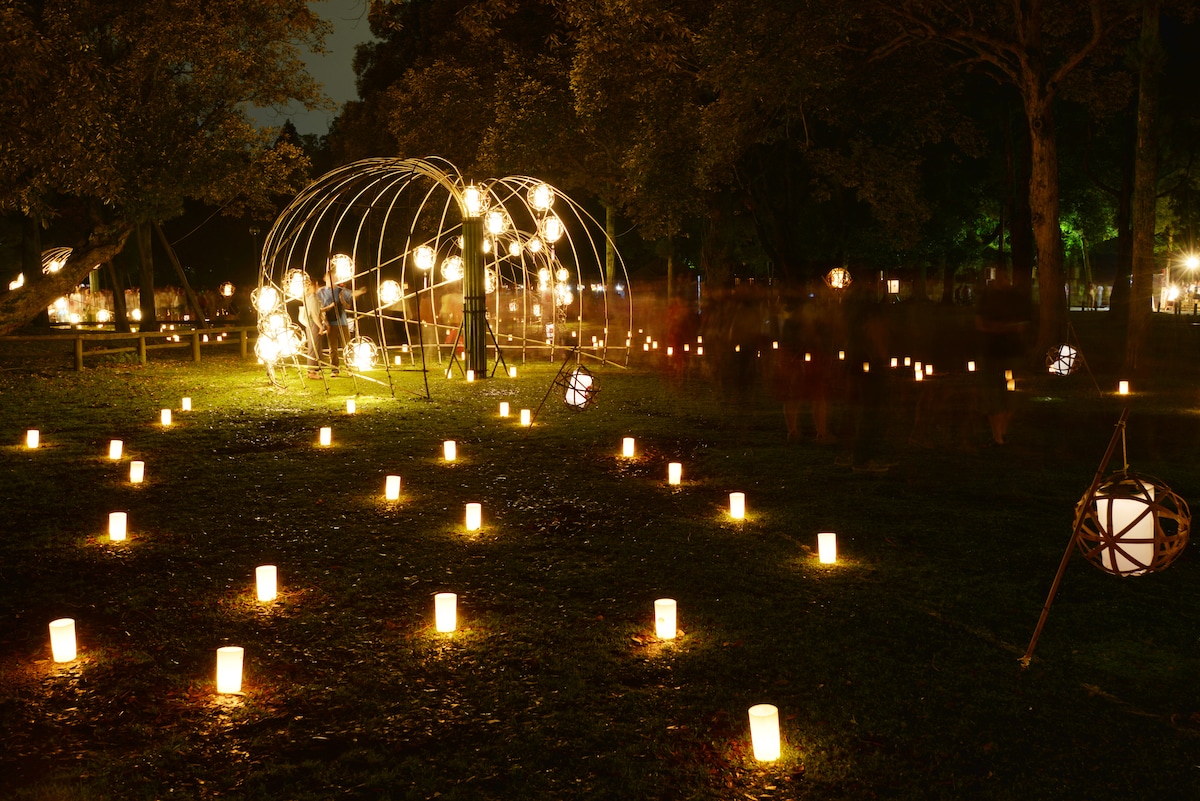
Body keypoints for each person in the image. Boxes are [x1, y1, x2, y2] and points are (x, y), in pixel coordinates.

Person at [975, 271, 1032, 446]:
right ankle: (997, 433)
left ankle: (1002, 429)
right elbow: (980, 323)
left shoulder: (1016, 299)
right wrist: (1005, 328)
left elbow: (1022, 325)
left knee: (1010, 392)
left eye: (1003, 277)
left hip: (1011, 354)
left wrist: (998, 327)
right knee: (993, 394)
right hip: (991, 354)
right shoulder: (986, 299)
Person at [317, 271, 357, 376]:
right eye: (330, 278)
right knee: (333, 348)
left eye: (333, 278)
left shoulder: (341, 290)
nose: (332, 280)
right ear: (325, 279)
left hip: (342, 322)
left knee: (347, 346)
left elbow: (348, 305)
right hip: (330, 323)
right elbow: (318, 308)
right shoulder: (321, 291)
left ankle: (350, 368)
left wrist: (343, 300)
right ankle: (335, 369)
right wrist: (328, 309)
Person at [297, 274, 325, 379]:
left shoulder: (311, 297)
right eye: (316, 285)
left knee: (316, 346)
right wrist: (320, 326)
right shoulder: (311, 298)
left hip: (314, 323)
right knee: (313, 346)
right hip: (313, 324)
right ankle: (311, 371)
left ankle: (315, 369)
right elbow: (313, 314)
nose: (317, 287)